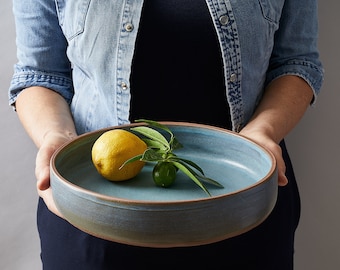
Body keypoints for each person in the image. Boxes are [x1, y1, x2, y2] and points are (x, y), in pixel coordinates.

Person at [8, 0, 323, 269]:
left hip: (242, 207)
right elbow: (40, 74)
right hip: (94, 214)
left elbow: (296, 62)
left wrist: (262, 132)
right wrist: (56, 138)